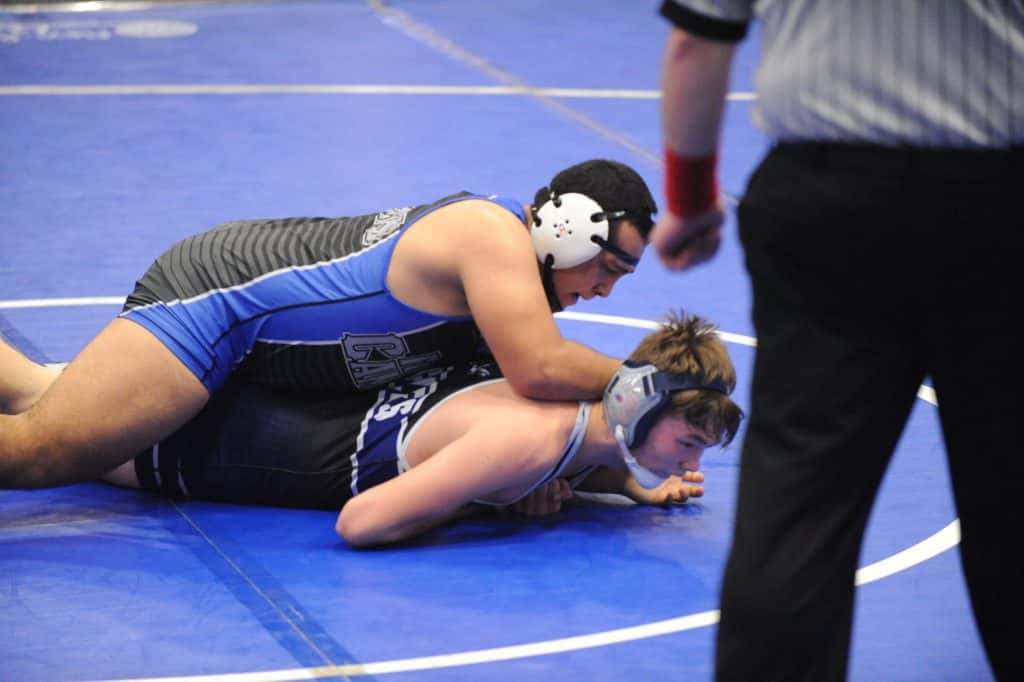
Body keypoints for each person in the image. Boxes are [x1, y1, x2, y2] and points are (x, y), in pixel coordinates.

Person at [655, 2, 1023, 681]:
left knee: (799, 502)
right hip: (1001, 202)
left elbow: (697, 40)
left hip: (827, 206)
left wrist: (691, 198)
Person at [0, 159, 658, 490]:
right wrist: (652, 381)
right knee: (45, 451)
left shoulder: (508, 286)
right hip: (218, 304)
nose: (604, 290)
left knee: (40, 393)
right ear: (567, 231)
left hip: (257, 338)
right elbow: (541, 369)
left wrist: (609, 475)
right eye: (606, 267)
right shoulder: (490, 235)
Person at [2, 312, 743, 547]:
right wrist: (481, 501)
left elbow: (581, 454)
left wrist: (630, 487)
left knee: (38, 387)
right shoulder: (525, 446)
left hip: (262, 401)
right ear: (635, 408)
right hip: (211, 448)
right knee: (40, 436)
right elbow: (362, 522)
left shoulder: (562, 396)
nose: (693, 457)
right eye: (688, 441)